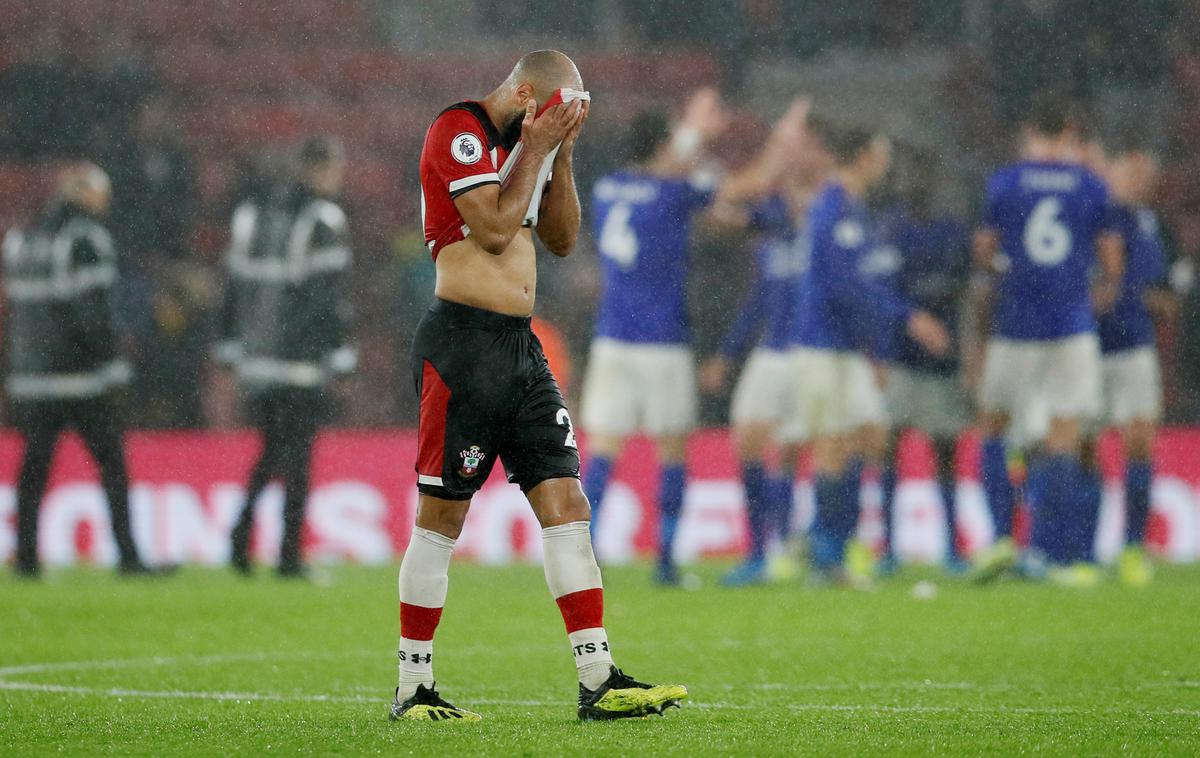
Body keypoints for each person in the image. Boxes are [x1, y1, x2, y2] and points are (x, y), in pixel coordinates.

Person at [395, 50, 686, 723]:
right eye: (561, 107)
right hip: (462, 346)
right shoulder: (457, 130)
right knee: (442, 518)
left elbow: (559, 239)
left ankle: (599, 679)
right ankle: (413, 687)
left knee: (567, 503)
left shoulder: (538, 143)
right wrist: (535, 148)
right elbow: (494, 230)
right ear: (526, 93)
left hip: (523, 350)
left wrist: (563, 156)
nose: (566, 120)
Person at [581, 91, 807, 585]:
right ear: (663, 145)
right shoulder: (672, 194)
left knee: (603, 448)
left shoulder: (606, 188)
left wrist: (691, 140)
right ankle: (664, 563)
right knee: (672, 450)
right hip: (661, 339)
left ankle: (578, 557)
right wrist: (778, 144)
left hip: (612, 337)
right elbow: (750, 185)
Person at [785, 119, 950, 585]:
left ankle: (830, 537)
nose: (886, 163)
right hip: (821, 345)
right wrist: (907, 318)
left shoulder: (853, 208)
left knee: (872, 434)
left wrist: (875, 345)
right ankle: (826, 556)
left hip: (846, 348)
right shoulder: (833, 205)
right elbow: (845, 286)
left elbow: (858, 285)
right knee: (834, 444)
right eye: (881, 153)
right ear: (862, 157)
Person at [970, 96, 1123, 585]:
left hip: (1016, 324)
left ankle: (1001, 539)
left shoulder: (1006, 182)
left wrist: (1001, 275)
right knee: (1064, 437)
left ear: (1030, 131)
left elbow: (984, 250)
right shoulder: (1091, 185)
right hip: (1070, 326)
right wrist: (1098, 290)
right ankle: (1052, 552)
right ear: (1070, 132)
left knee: (993, 427)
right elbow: (1111, 256)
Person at [2, 164, 152, 577]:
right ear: (85, 193)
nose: (106, 202)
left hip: (32, 377)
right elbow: (94, 315)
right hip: (80, 379)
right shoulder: (86, 239)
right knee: (112, 466)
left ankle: (27, 558)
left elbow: (17, 312)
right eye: (101, 192)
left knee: (33, 470)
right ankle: (129, 556)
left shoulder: (23, 237)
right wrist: (112, 366)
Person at [220, 137, 356, 578]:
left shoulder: (251, 215)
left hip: (257, 359)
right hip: (299, 364)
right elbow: (329, 298)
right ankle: (287, 557)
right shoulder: (323, 219)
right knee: (296, 459)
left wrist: (229, 347)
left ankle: (241, 539)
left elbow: (232, 288)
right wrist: (338, 355)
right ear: (317, 171)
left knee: (272, 451)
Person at [700, 174, 818, 586]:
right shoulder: (772, 242)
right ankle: (757, 549)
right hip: (771, 353)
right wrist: (726, 356)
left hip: (811, 355)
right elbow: (756, 305)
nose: (796, 197)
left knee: (790, 450)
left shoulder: (825, 235)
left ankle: (785, 549)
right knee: (748, 438)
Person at [877, 161, 972, 575]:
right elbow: (878, 295)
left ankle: (952, 546)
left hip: (940, 361)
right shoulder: (889, 231)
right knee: (887, 450)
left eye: (925, 177)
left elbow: (967, 288)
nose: (918, 186)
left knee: (946, 453)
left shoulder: (953, 232)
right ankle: (888, 548)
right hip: (900, 358)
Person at [1096, 145, 1170, 587]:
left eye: (1145, 174)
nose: (1138, 180)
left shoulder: (1147, 223)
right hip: (1089, 345)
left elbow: (1154, 283)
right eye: (1129, 171)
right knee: (1082, 445)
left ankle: (1131, 547)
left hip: (1134, 345)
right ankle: (1076, 548)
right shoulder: (1093, 217)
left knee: (1140, 440)